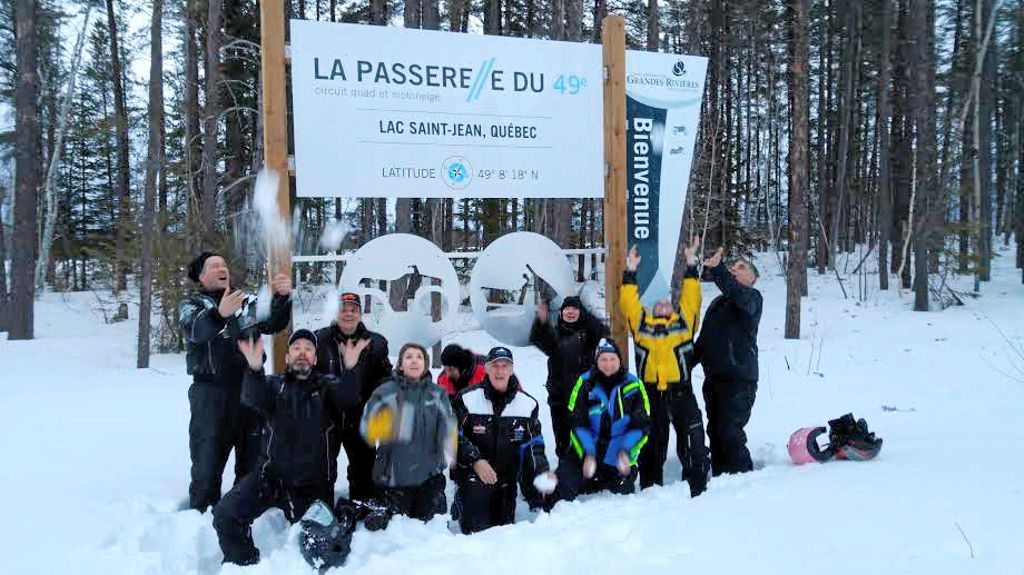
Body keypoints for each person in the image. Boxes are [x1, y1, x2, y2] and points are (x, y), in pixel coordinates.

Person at [212, 330, 357, 566]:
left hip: (312, 486)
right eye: (296, 348)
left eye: (308, 349)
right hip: (270, 477)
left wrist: (350, 369)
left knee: (322, 549)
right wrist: (255, 369)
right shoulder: (273, 384)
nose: (302, 352)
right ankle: (245, 565)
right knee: (225, 515)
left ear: (315, 359)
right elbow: (253, 397)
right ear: (287, 357)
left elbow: (348, 398)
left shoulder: (327, 386)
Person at [178, 250, 292, 512]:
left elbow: (274, 321)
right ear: (201, 276)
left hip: (249, 390)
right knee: (207, 463)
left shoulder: (247, 301)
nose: (221, 268)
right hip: (211, 394)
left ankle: (244, 515)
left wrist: (282, 297)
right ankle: (201, 517)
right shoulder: (191, 305)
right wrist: (218, 314)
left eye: (224, 264)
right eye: (214, 265)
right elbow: (195, 329)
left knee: (252, 462)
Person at [620, 239, 709, 496]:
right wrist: (630, 271)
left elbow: (692, 299)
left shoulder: (684, 325)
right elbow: (629, 302)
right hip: (650, 395)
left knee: (691, 438)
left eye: (667, 302)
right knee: (652, 443)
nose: (662, 304)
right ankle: (650, 488)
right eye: (657, 303)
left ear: (673, 307)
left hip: (681, 391)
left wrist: (691, 265)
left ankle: (696, 485)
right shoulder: (641, 325)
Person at [451, 346, 556, 533]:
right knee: (477, 532)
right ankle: (461, 499)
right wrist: (475, 460)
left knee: (504, 532)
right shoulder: (466, 398)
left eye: (505, 365)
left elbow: (533, 448)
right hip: (474, 475)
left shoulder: (528, 404)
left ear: (512, 369)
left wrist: (541, 480)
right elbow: (451, 435)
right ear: (487, 369)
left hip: (505, 480)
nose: (500, 371)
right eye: (495, 365)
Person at [545, 339, 651, 508]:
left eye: (612, 359)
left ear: (619, 360)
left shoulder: (634, 385)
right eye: (603, 359)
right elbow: (577, 423)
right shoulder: (584, 382)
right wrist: (589, 453)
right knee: (559, 493)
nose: (608, 364)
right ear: (596, 361)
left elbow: (641, 425)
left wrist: (625, 451)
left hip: (617, 457)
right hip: (585, 453)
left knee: (617, 505)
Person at [359, 343, 457, 525]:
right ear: (401, 364)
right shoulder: (384, 392)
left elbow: (448, 431)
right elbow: (368, 431)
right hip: (394, 478)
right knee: (398, 534)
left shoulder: (438, 394)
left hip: (430, 477)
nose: (414, 360)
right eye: (409, 356)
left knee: (431, 534)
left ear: (426, 365)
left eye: (419, 357)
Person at [314, 291, 392, 501]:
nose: (348, 314)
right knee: (323, 468)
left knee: (363, 468)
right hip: (327, 417)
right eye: (343, 310)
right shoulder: (320, 339)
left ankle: (360, 506)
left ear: (360, 313)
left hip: (360, 417)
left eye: (353, 310)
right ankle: (323, 510)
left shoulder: (376, 343)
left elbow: (385, 376)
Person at [694, 248, 763, 476]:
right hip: (714, 378)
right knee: (714, 430)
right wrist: (682, 367)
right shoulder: (717, 304)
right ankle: (720, 477)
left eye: (741, 268)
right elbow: (703, 340)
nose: (735, 270)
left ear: (752, 278)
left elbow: (738, 295)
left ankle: (741, 477)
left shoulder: (752, 298)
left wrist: (719, 270)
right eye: (732, 267)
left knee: (730, 431)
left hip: (739, 378)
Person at [529, 295, 609, 460]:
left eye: (574, 308)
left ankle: (588, 471)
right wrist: (541, 319)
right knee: (563, 440)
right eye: (566, 309)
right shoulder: (555, 335)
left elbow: (603, 330)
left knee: (585, 436)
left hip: (584, 397)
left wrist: (586, 311)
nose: (570, 312)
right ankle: (566, 472)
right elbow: (537, 338)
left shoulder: (589, 335)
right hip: (559, 397)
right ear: (560, 313)